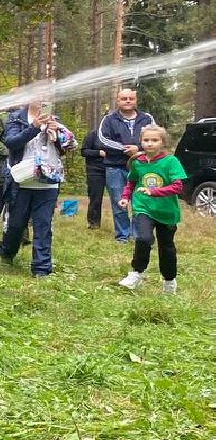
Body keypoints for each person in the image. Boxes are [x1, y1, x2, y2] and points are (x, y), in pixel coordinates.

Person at [0, 99, 75, 277]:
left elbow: (68, 146)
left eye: (47, 96)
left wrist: (58, 133)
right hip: (22, 181)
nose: (43, 100)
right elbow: (11, 142)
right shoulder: (17, 119)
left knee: (43, 226)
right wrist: (34, 127)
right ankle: (7, 252)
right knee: (16, 226)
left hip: (49, 182)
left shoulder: (55, 120)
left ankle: (41, 268)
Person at [117, 124, 187, 294]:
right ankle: (136, 273)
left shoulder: (170, 161)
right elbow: (132, 182)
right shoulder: (138, 162)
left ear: (162, 142)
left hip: (166, 212)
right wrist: (125, 197)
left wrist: (154, 191)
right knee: (143, 238)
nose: (149, 143)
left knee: (166, 247)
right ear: (140, 142)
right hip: (143, 207)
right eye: (146, 140)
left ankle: (169, 280)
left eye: (154, 140)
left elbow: (178, 187)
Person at [97, 87, 156, 242]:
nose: (128, 101)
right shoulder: (109, 119)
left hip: (141, 166)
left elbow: (155, 137)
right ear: (118, 101)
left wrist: (139, 148)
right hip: (114, 167)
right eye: (124, 98)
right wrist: (125, 149)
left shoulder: (147, 118)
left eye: (131, 98)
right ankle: (122, 236)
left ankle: (139, 236)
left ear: (136, 100)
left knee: (141, 201)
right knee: (119, 202)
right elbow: (102, 139)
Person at [80, 125, 106, 229]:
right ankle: (93, 223)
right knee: (95, 197)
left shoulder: (115, 136)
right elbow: (84, 151)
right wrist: (98, 152)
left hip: (112, 169)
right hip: (95, 170)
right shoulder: (93, 134)